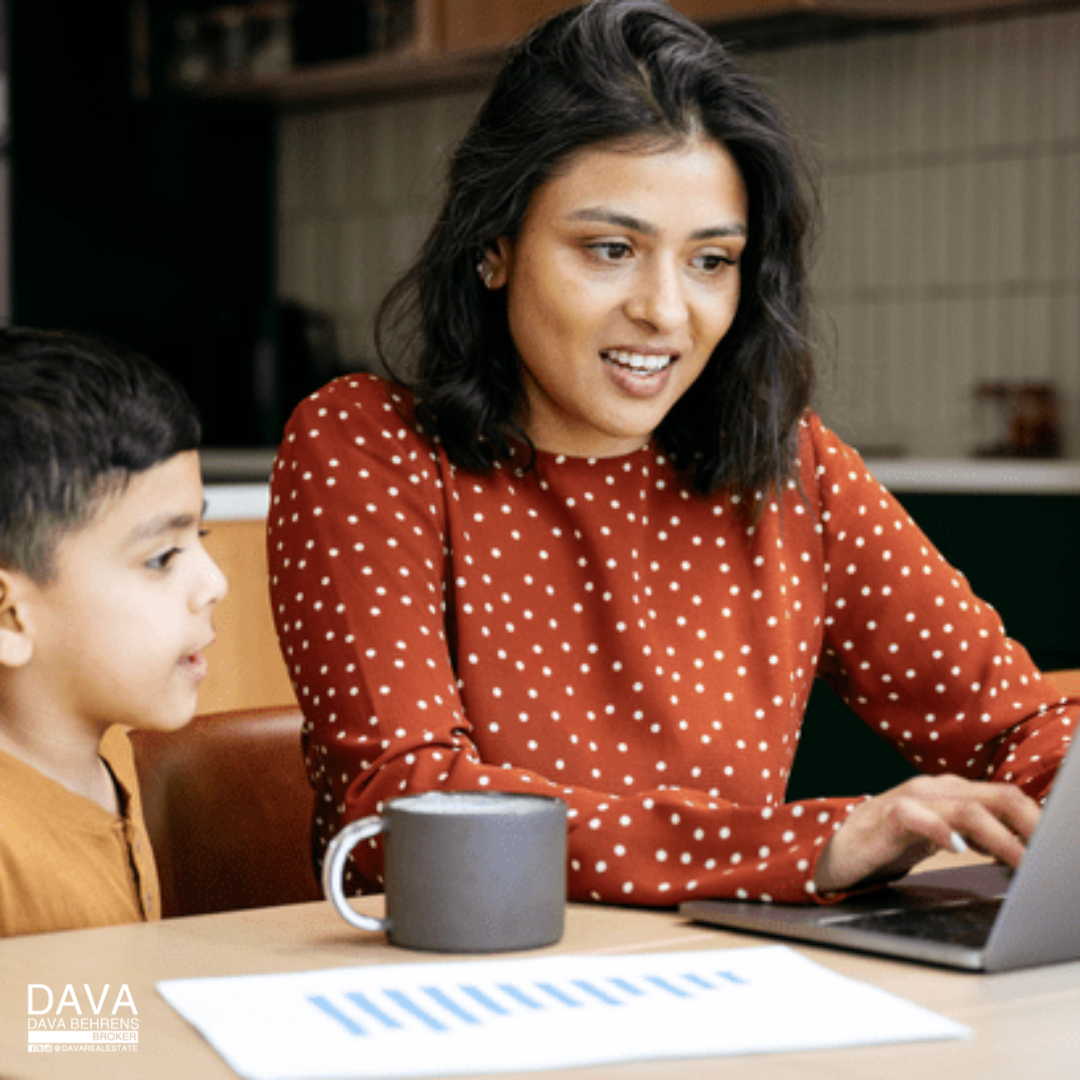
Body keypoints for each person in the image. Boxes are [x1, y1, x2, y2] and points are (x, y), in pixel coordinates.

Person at [267, 0, 1078, 906]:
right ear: (494, 246)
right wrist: (810, 845)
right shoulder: (368, 448)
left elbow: (1032, 724)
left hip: (728, 999)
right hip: (462, 1008)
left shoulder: (790, 468)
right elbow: (400, 815)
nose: (664, 310)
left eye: (711, 261)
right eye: (611, 249)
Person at [0, 328, 227, 936]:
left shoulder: (106, 752)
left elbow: (98, 1015)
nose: (214, 583)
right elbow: (76, 1033)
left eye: (197, 539)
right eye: (162, 557)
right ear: (9, 616)